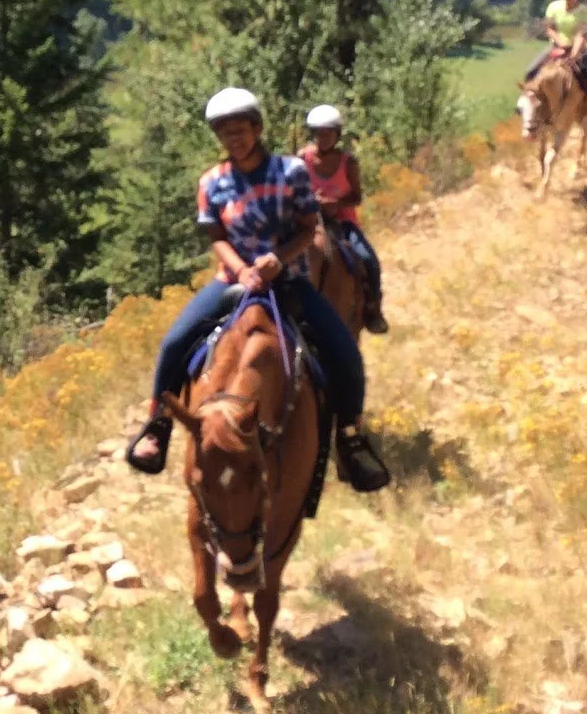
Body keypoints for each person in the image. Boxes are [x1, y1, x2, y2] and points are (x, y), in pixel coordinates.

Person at [124, 87, 390, 492]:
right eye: (225, 132)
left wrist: (278, 260)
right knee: (173, 343)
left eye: (241, 129)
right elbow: (216, 236)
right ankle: (158, 424)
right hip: (232, 281)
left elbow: (309, 228)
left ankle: (350, 439)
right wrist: (241, 269)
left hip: (290, 280)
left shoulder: (291, 172)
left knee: (344, 352)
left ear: (257, 128)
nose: (234, 138)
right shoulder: (211, 182)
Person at [298, 105, 386, 334]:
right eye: (318, 133)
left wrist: (335, 203)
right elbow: (292, 190)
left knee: (368, 258)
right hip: (310, 221)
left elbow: (357, 196)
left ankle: (372, 310)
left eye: (328, 133)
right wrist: (311, 200)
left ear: (337, 135)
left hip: (342, 222)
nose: (323, 138)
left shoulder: (348, 163)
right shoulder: (302, 159)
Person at [523, 0, 587, 125]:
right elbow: (549, 29)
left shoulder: (583, 11)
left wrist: (574, 54)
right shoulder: (553, 7)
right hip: (556, 46)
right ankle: (530, 106)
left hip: (577, 49)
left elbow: (581, 35)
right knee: (530, 71)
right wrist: (558, 40)